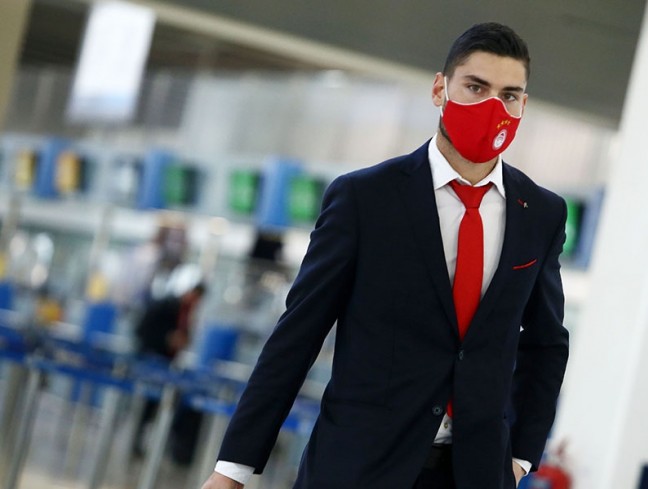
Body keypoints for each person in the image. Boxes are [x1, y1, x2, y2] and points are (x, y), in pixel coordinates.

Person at [202, 22, 569, 489]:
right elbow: (298, 334)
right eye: (476, 88)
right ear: (439, 90)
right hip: (358, 467)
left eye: (509, 96)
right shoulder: (365, 198)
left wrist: (520, 456)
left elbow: (546, 343)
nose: (493, 107)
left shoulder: (540, 213)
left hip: (474, 473)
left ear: (523, 105)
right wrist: (233, 470)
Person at [133, 282, 206, 460]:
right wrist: (167, 339)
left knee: (159, 408)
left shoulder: (186, 314)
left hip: (167, 365)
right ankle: (135, 443)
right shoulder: (166, 306)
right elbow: (142, 331)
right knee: (145, 407)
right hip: (152, 363)